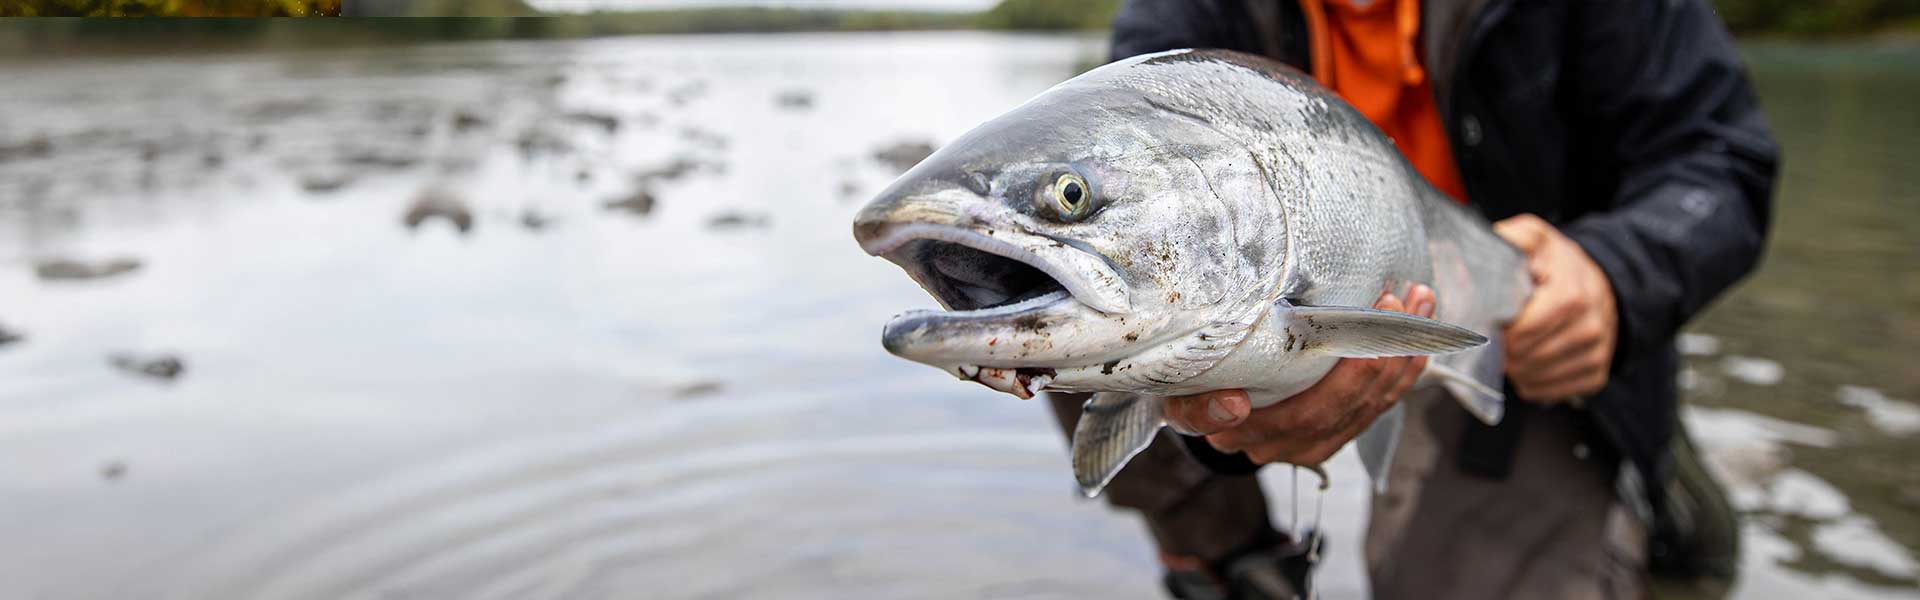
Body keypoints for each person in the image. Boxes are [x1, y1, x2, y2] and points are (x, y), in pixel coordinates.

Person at [1044, 0, 1779, 598]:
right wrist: (1219, 436)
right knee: (1071, 294)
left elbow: (1720, 158)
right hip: (1273, 314)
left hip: (1519, 338)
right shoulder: (1185, 14)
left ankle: (1637, 476)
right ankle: (1228, 558)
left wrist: (1615, 279)